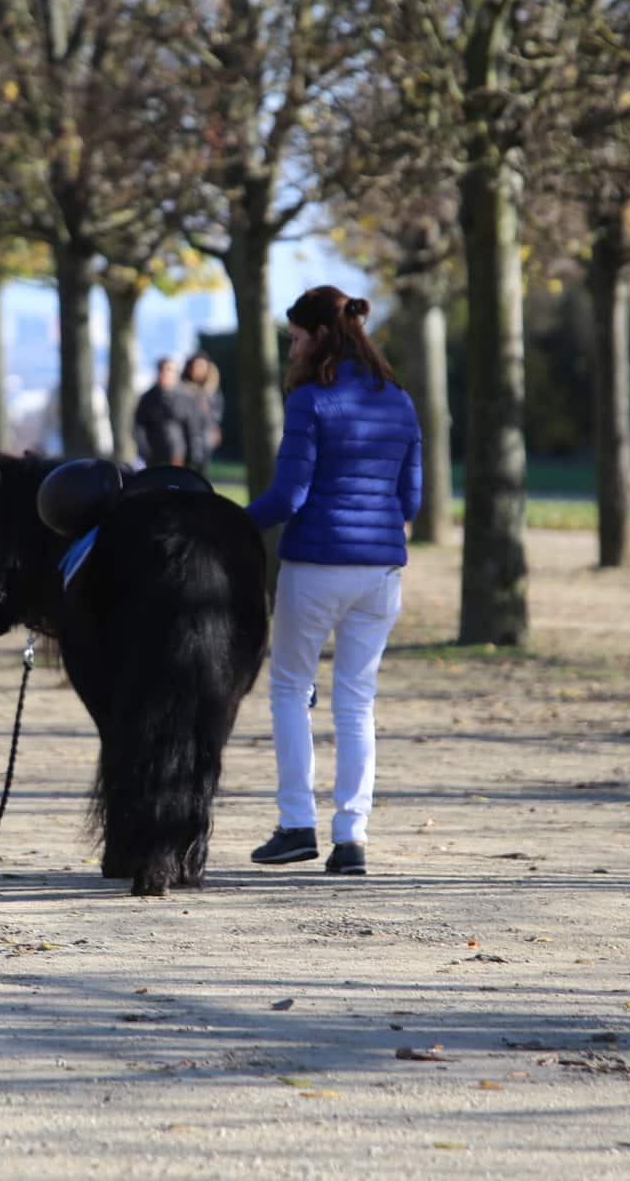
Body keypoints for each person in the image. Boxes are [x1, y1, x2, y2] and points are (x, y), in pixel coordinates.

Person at [243, 286, 421, 877]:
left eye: (296, 337)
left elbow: (288, 496)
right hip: (380, 573)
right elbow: (411, 500)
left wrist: (229, 523)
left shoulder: (309, 399)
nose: (291, 348)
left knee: (291, 690)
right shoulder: (399, 399)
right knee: (356, 702)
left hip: (315, 567)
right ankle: (352, 838)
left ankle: (297, 824)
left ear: (320, 335)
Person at [133, 356, 198, 467]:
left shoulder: (185, 397)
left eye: (169, 370)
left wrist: (192, 453)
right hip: (153, 455)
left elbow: (192, 427)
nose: (165, 373)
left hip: (178, 454)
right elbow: (138, 428)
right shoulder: (147, 398)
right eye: (162, 370)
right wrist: (145, 451)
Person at [181, 351, 223, 474]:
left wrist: (215, 429)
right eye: (195, 366)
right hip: (185, 439)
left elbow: (216, 413)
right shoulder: (181, 389)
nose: (197, 370)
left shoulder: (212, 391)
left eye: (201, 366)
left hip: (205, 439)